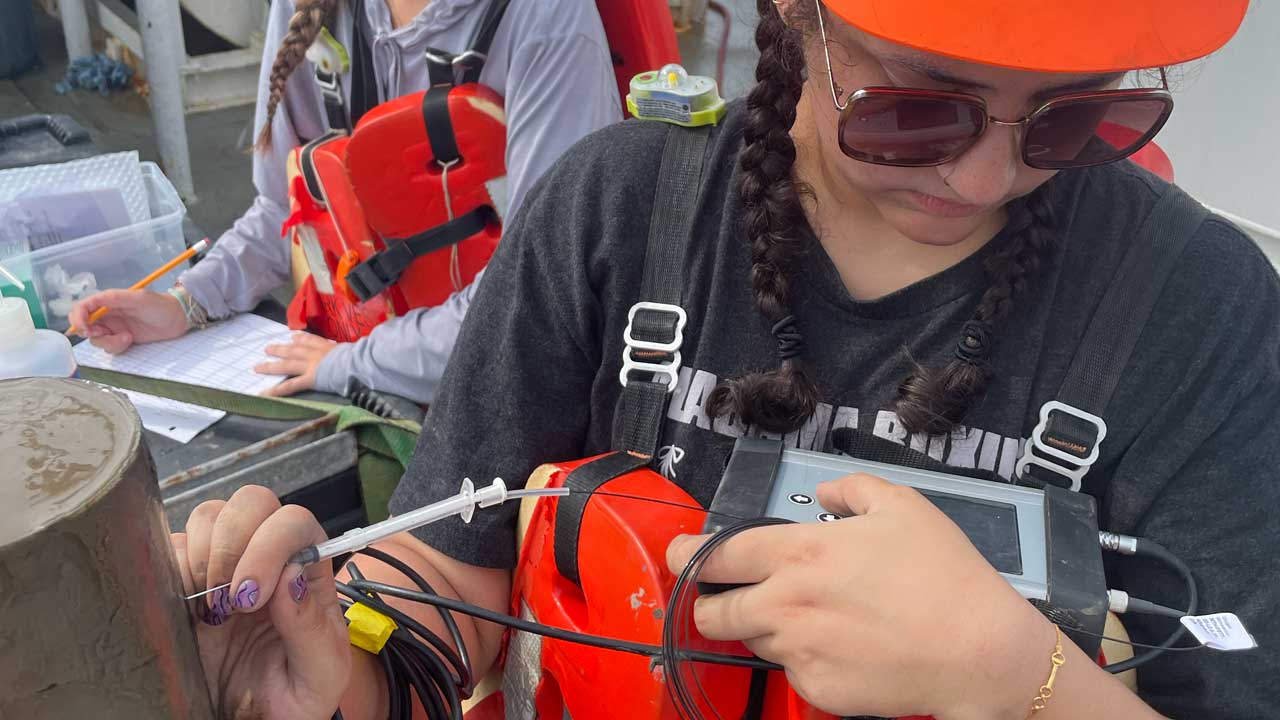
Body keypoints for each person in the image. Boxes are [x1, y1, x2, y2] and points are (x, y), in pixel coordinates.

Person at [169, 0, 1278, 718]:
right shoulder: (614, 213)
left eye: (1070, 119)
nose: (985, 180)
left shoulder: (1200, 307)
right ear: (795, 17)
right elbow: (457, 568)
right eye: (913, 112)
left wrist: (1022, 684)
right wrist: (328, 677)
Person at [68, 0, 620, 402]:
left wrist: (354, 364)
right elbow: (287, 210)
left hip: (512, 388)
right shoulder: (312, 10)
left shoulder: (548, 21)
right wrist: (186, 304)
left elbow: (541, 296)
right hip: (368, 356)